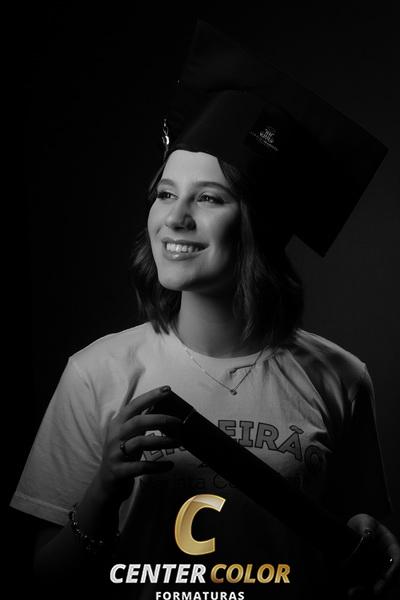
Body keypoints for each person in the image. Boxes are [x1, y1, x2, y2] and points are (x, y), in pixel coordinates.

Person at [10, 20, 399, 600]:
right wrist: (102, 491)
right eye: (165, 193)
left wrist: (368, 541)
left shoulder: (341, 379)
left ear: (260, 223)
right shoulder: (95, 374)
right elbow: (46, 578)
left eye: (209, 198)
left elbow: (360, 547)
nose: (175, 218)